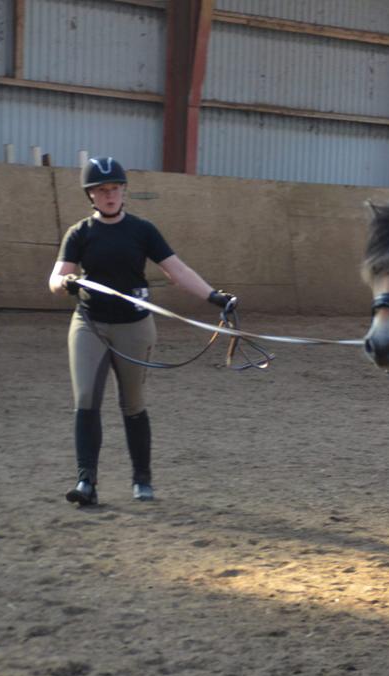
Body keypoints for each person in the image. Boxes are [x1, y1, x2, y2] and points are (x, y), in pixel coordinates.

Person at [48, 156, 235, 506]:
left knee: (132, 403)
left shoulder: (142, 230)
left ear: (123, 191)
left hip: (134, 326)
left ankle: (141, 478)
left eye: (115, 188)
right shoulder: (80, 233)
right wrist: (67, 282)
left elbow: (177, 271)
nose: (109, 195)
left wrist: (214, 296)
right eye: (102, 190)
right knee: (86, 398)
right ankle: (86, 481)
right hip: (90, 323)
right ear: (91, 195)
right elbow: (55, 279)